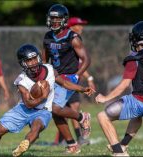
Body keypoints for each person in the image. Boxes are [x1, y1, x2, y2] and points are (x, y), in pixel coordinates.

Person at [0, 44, 94, 157]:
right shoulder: (22, 80)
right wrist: (43, 97)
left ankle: (24, 144)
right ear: (23, 63)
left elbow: (64, 83)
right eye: (29, 60)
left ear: (39, 58)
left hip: (43, 111)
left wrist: (82, 89)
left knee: (36, 128)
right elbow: (28, 104)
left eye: (34, 58)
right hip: (23, 109)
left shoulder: (50, 69)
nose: (33, 62)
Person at [95, 21, 143, 157]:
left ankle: (118, 153)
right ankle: (123, 145)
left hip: (141, 99)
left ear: (137, 38)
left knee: (103, 117)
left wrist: (105, 98)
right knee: (137, 116)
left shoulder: (135, 58)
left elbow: (124, 84)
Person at [43, 4, 93, 153]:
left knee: (55, 108)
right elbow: (45, 60)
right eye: (52, 18)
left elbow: (86, 59)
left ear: (64, 20)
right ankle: (72, 144)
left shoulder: (72, 37)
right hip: (55, 76)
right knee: (54, 111)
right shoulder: (47, 36)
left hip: (70, 76)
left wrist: (77, 75)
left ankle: (82, 117)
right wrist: (44, 77)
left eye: (57, 19)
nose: (54, 22)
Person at [54, 17, 96, 146]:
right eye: (79, 25)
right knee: (60, 110)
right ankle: (70, 138)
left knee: (72, 107)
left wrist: (88, 78)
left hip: (72, 80)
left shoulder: (75, 40)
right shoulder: (67, 41)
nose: (81, 27)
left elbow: (81, 63)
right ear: (71, 26)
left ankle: (74, 138)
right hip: (63, 80)